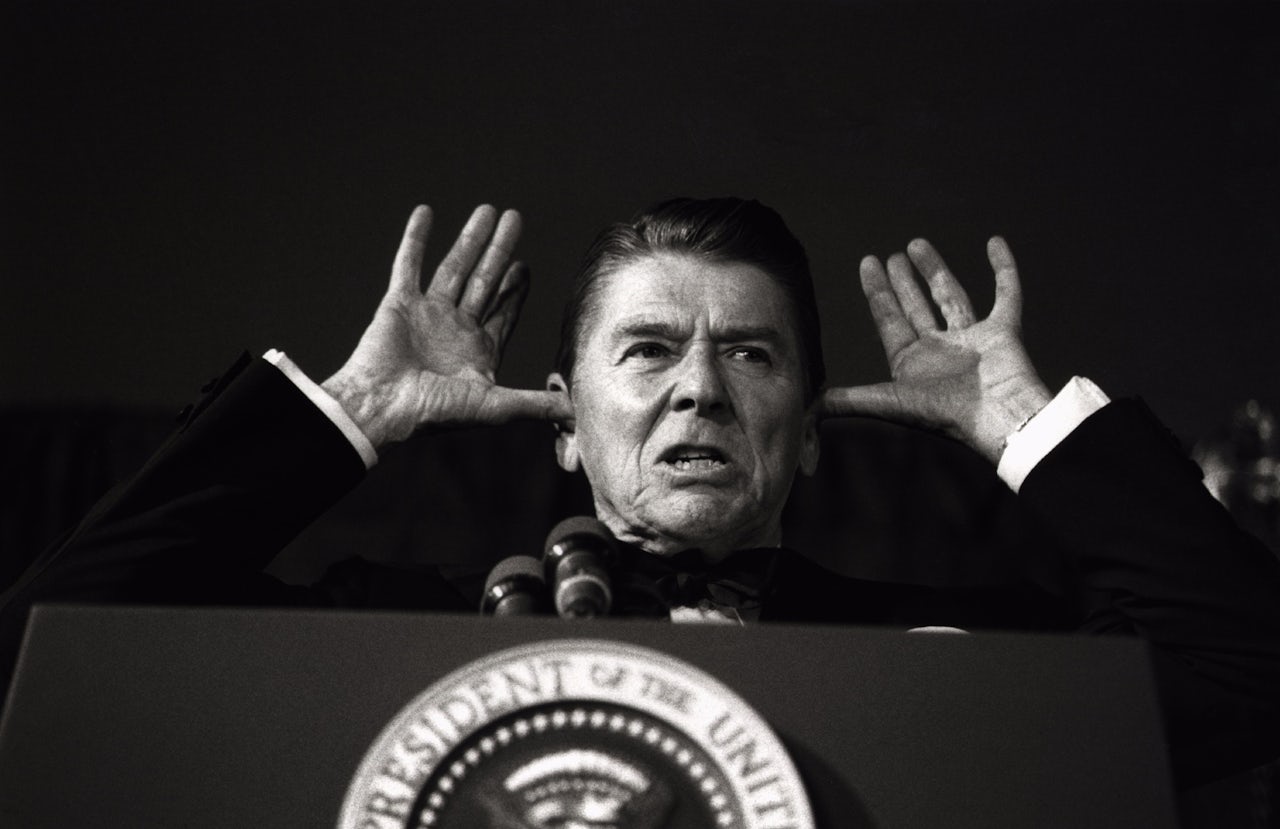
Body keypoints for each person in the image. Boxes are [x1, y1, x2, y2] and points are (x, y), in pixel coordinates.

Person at [2, 197, 1279, 790]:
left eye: (753, 354)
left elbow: (1242, 680)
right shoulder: (381, 623)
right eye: (650, 348)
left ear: (814, 433)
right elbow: (46, 657)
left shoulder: (959, 657)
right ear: (564, 422)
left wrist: (1024, 426)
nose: (700, 390)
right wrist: (350, 414)